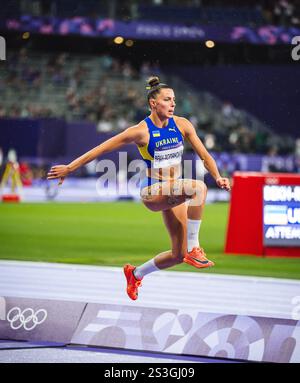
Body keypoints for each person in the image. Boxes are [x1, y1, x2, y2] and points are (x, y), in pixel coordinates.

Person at [47, 76, 231, 301]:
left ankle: (135, 274)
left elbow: (205, 155)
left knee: (177, 255)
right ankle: (195, 248)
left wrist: (218, 176)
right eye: (167, 100)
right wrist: (70, 167)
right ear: (154, 103)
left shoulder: (182, 125)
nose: (173, 104)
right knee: (199, 188)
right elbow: (100, 149)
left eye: (174, 100)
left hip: (175, 191)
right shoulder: (140, 131)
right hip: (153, 191)